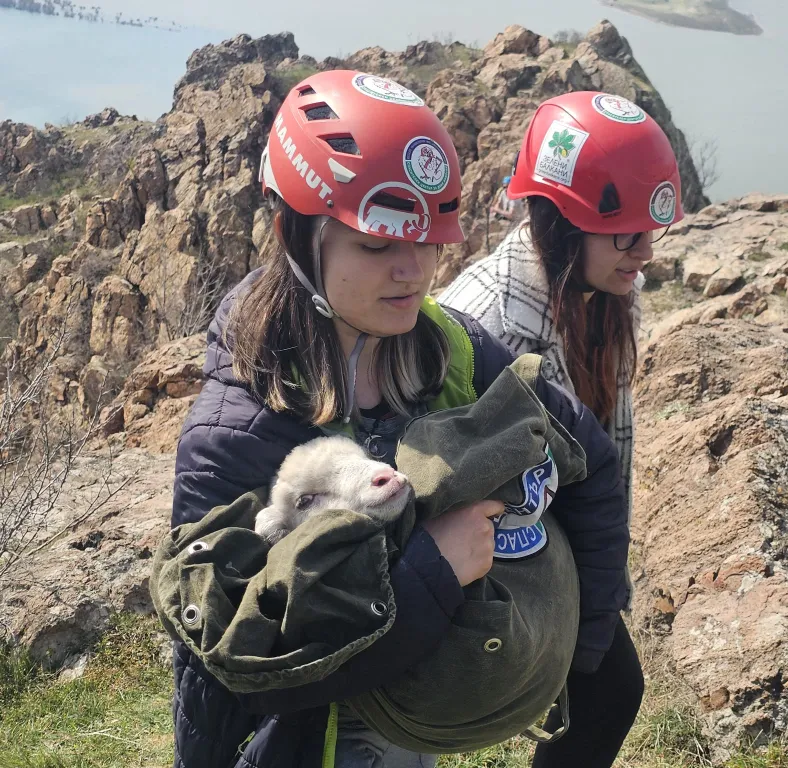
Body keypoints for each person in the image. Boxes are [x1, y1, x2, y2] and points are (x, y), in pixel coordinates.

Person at [170, 70, 634, 768]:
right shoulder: (239, 430)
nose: (412, 272)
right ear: (294, 235)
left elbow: (591, 460)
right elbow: (234, 667)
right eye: (377, 246)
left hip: (410, 713)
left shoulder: (448, 347)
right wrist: (433, 572)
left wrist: (582, 649)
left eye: (428, 241)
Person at [439, 90, 685, 763]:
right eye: (624, 231)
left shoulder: (599, 292)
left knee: (605, 693)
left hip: (560, 543)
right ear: (563, 221)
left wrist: (602, 590)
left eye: (650, 228)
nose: (646, 252)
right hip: (496, 558)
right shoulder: (486, 324)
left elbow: (609, 452)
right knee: (608, 693)